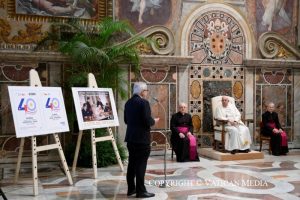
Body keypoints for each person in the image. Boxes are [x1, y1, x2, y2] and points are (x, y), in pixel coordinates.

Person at [124, 82, 159, 198]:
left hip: (130, 138)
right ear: (142, 91)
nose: (147, 93)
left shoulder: (128, 103)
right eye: (146, 90)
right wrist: (154, 121)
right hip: (142, 140)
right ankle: (141, 191)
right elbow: (147, 121)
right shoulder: (144, 103)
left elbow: (126, 120)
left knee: (132, 164)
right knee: (141, 165)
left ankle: (131, 189)